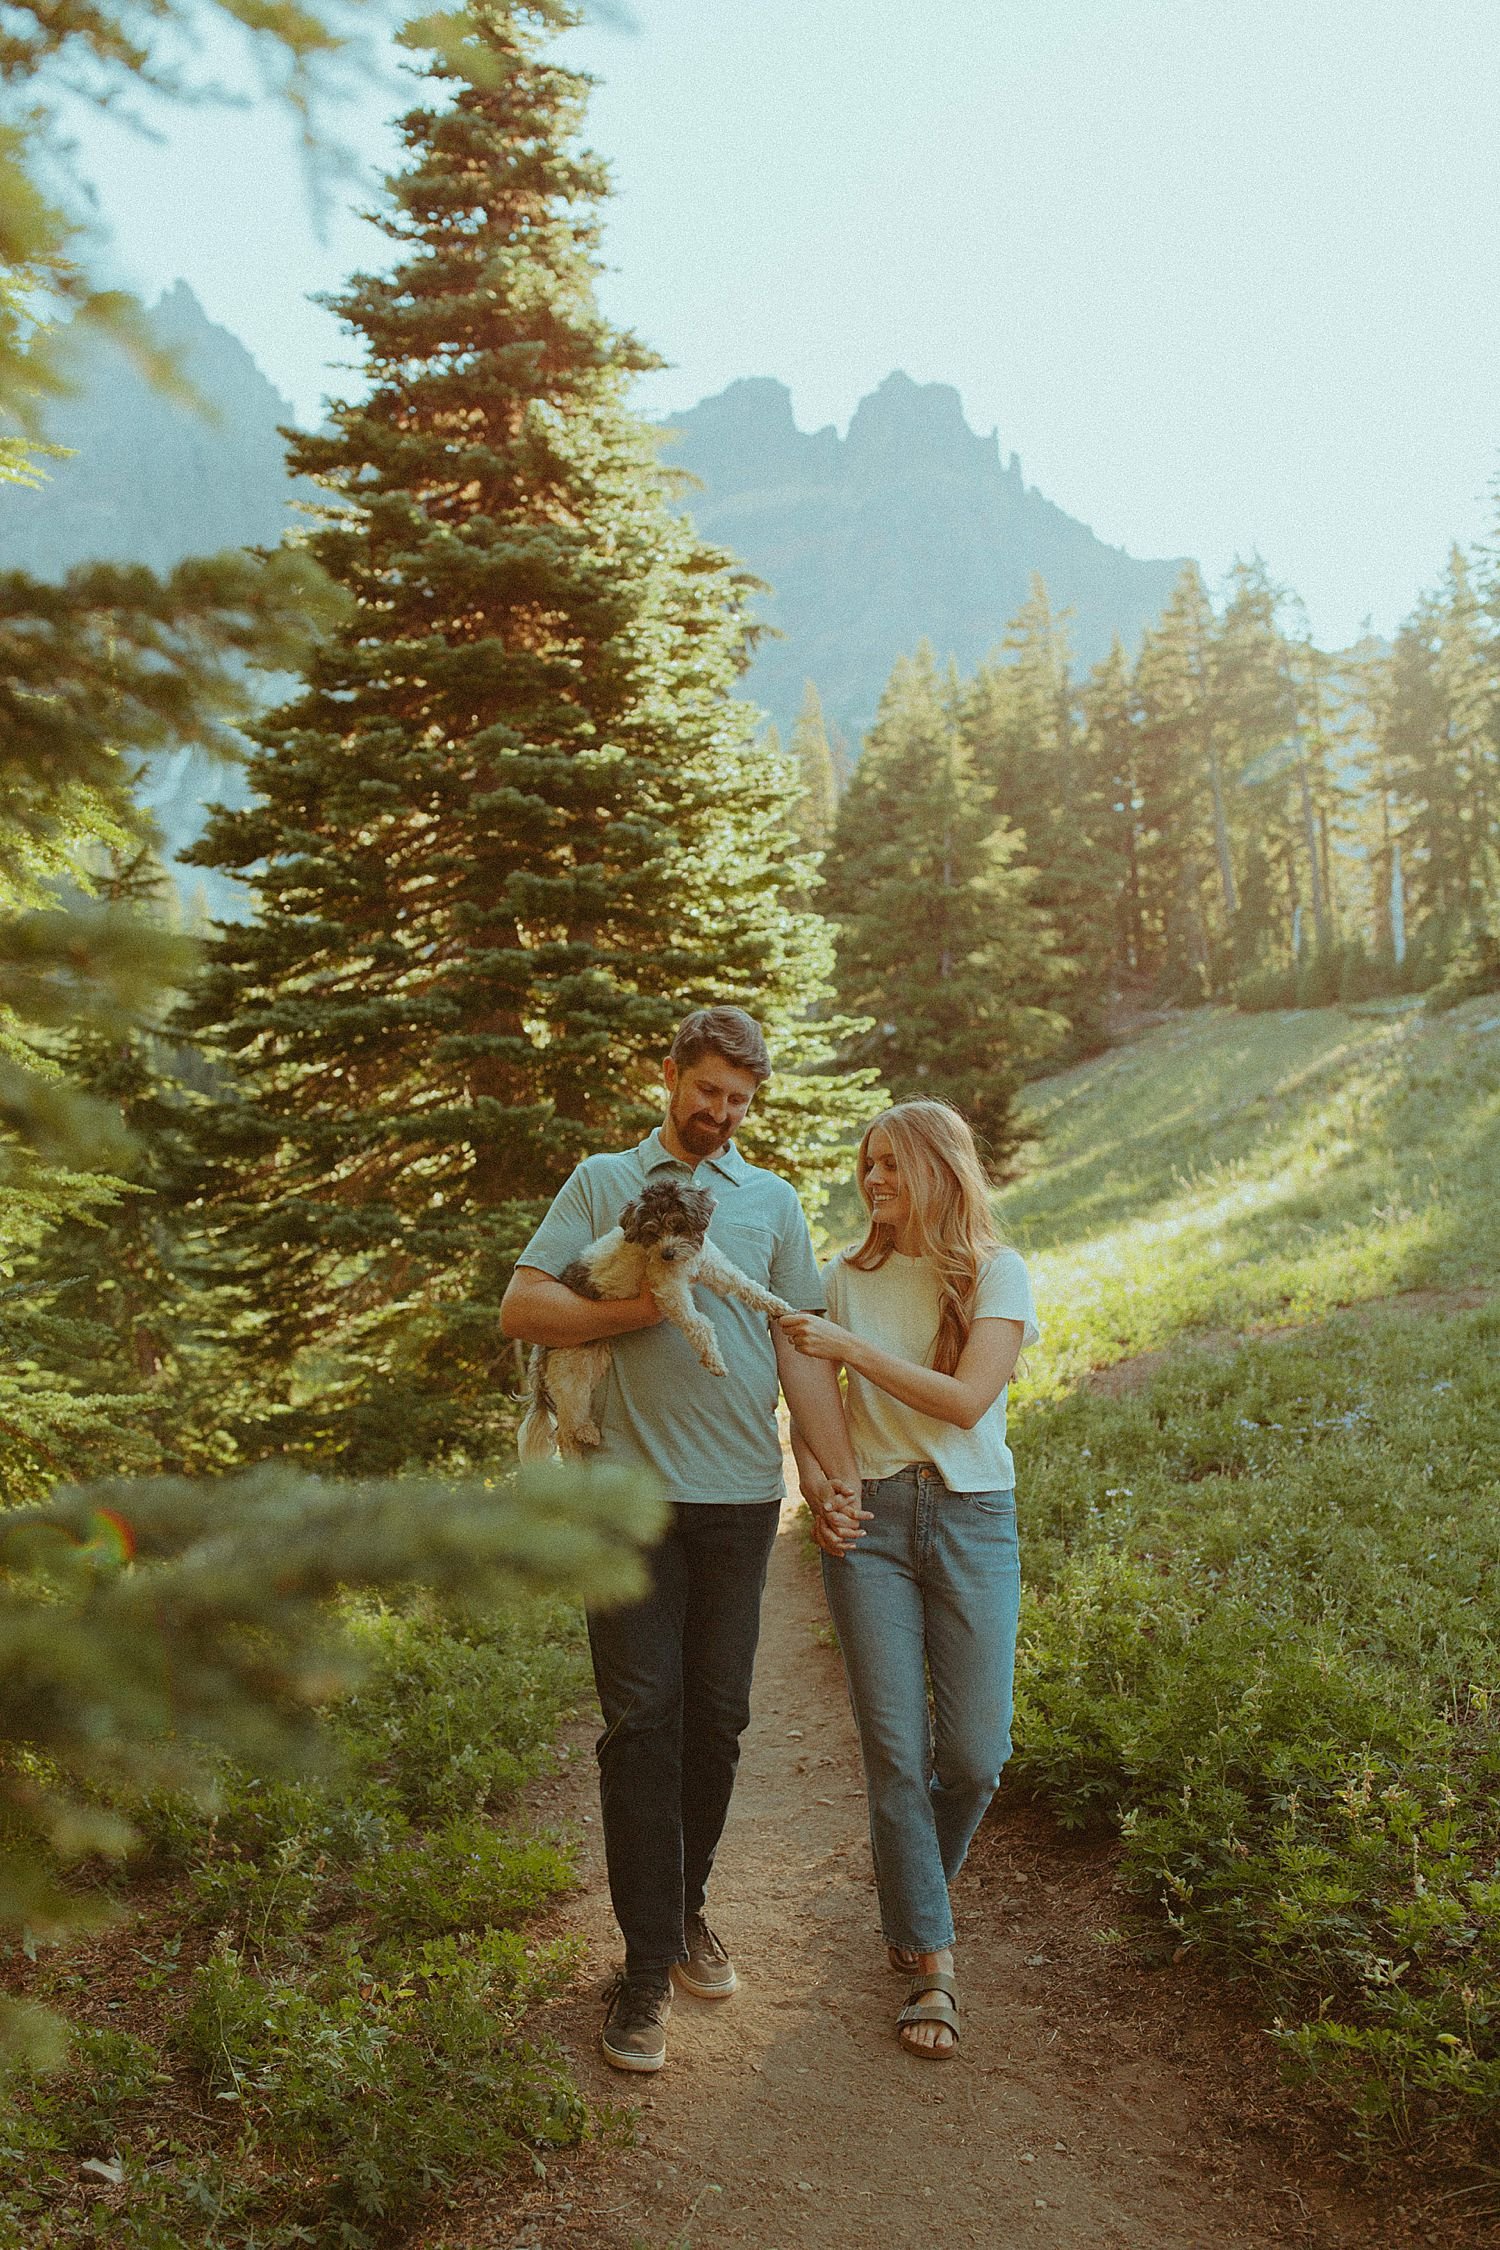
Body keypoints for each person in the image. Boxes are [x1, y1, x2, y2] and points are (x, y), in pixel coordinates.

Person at [500, 1006, 857, 2074]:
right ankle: (646, 1965)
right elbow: (523, 1310)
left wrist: (827, 1475)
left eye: (739, 1101)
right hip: (625, 1501)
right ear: (670, 1077)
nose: (720, 1113)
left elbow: (800, 1353)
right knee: (640, 1723)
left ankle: (688, 1908)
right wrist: (647, 1310)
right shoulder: (605, 1182)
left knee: (720, 1721)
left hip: (741, 1501)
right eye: (707, 1091)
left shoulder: (773, 1202)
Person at [780, 1098, 1038, 2060]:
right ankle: (930, 1961)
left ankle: (910, 1877)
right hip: (874, 1526)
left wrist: (852, 1351)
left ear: (939, 1168)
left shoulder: (997, 1274)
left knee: (976, 1755)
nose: (873, 1181)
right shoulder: (841, 1278)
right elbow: (806, 1408)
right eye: (867, 1164)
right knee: (895, 1754)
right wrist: (817, 1482)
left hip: (974, 1520)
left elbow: (970, 1403)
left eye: (892, 1164)